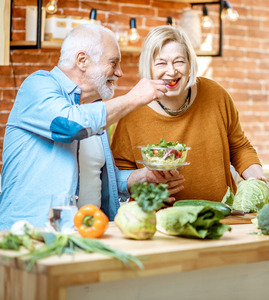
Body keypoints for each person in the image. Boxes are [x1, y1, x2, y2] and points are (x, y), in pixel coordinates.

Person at [0, 24, 185, 230]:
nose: (119, 72)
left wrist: (140, 178)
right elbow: (69, 126)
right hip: (30, 233)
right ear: (82, 61)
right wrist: (134, 98)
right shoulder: (37, 86)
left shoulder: (94, 109)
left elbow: (100, 178)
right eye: (113, 63)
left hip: (87, 234)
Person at [111, 25, 269, 203]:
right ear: (148, 67)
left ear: (190, 63)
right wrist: (146, 183)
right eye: (161, 63)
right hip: (158, 219)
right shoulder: (133, 110)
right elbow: (119, 173)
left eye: (179, 61)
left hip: (222, 216)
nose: (171, 71)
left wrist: (259, 182)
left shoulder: (216, 95)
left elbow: (239, 148)